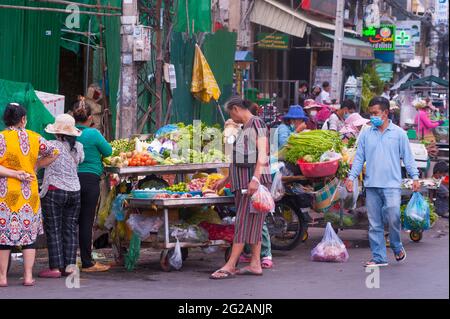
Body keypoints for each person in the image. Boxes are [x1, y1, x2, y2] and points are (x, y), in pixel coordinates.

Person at [346, 97, 420, 268]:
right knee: (374, 224)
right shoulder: (366, 133)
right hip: (372, 185)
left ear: (386, 113)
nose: (372, 117)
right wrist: (351, 177)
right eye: (370, 114)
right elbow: (359, 158)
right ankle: (379, 257)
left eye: (375, 113)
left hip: (392, 185)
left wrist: (415, 177)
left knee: (394, 217)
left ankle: (396, 245)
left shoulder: (399, 134)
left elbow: (408, 157)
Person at [210, 96, 272, 279]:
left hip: (250, 183)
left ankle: (230, 265)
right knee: (253, 223)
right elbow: (241, 158)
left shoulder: (257, 124)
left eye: (231, 113)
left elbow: (263, 154)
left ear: (236, 109)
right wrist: (225, 179)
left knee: (244, 223)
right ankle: (255, 264)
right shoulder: (245, 127)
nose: (232, 117)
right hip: (244, 182)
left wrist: (255, 179)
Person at [0, 103, 58, 287]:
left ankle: (2, 278)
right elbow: (54, 152)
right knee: (29, 237)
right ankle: (27, 277)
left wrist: (13, 174)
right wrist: (37, 165)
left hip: (6, 193)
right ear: (23, 119)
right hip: (28, 194)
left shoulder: (1, 138)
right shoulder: (35, 137)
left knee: (4, 237)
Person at [38, 114, 84, 279]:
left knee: (54, 228)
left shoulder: (51, 145)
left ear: (57, 131)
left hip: (54, 190)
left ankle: (56, 268)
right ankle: (70, 267)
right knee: (70, 229)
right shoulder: (78, 146)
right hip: (74, 191)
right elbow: (80, 160)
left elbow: (39, 161)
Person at [72, 98, 113, 272]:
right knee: (86, 221)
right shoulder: (93, 134)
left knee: (70, 221)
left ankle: (67, 261)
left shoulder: (68, 133)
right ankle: (87, 262)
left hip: (70, 180)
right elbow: (109, 151)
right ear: (89, 118)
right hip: (90, 180)